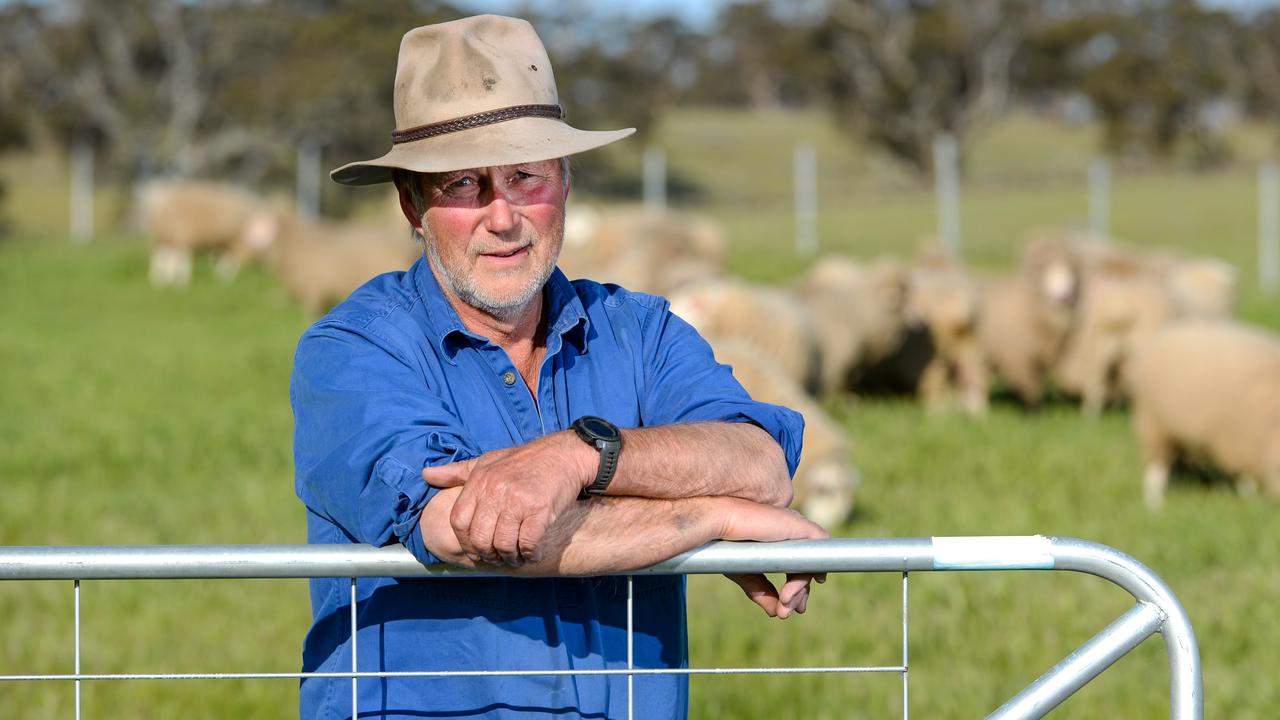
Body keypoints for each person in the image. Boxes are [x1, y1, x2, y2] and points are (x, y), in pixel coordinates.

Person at [292, 14, 827, 719]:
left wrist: (581, 456)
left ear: (566, 183)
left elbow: (760, 465)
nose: (504, 215)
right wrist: (706, 515)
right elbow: (465, 528)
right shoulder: (356, 350)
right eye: (463, 186)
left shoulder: (641, 332)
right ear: (410, 204)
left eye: (525, 177)